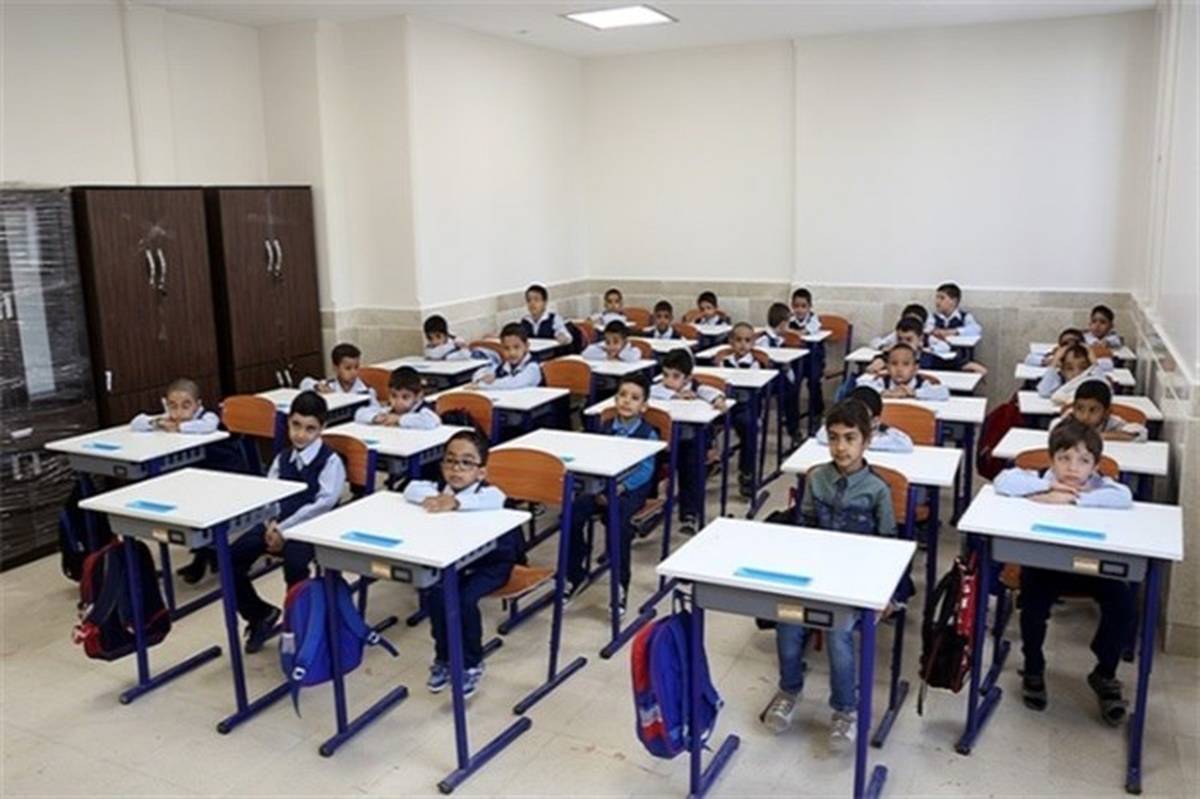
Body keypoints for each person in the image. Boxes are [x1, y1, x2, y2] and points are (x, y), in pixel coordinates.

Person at [761, 399, 906, 746]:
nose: (841, 447)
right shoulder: (817, 479)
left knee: (839, 637)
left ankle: (844, 710)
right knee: (787, 622)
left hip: (854, 582)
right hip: (816, 576)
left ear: (866, 441)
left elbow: (890, 546)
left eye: (850, 438)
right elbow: (806, 528)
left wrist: (887, 594)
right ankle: (789, 690)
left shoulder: (877, 489)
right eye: (834, 438)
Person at [993, 420, 1134, 724]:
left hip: (1090, 568)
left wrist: (1073, 499)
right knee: (1032, 604)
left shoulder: (1100, 487)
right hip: (1045, 565)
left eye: (1083, 461)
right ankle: (1033, 665)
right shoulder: (1040, 479)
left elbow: (1123, 497)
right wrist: (1047, 488)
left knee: (1123, 602)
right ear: (1051, 459)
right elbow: (1003, 481)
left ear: (1095, 466)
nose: (1072, 468)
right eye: (1064, 458)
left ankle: (1105, 671)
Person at [230, 392, 346, 654]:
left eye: (310, 428)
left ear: (322, 428)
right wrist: (270, 524)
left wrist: (283, 529)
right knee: (231, 558)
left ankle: (299, 628)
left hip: (311, 529)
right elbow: (268, 495)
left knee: (295, 565)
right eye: (296, 425)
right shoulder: (282, 458)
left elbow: (323, 504)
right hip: (275, 525)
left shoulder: (330, 462)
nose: (301, 434)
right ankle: (259, 615)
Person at [404, 430, 517, 698]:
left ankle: (471, 663)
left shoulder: (489, 494)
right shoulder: (438, 490)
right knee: (436, 595)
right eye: (450, 460)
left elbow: (495, 499)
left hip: (492, 563)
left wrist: (455, 502)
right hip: (454, 563)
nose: (456, 469)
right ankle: (443, 657)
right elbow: (411, 489)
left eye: (467, 462)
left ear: (481, 471)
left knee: (463, 599)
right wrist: (437, 498)